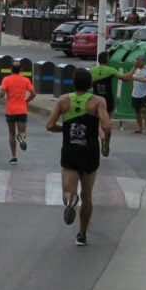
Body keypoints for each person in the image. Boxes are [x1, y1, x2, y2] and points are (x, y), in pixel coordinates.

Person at [45, 68, 111, 246]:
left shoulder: (64, 100)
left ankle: (70, 201)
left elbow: (49, 125)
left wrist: (64, 129)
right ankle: (82, 234)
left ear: (73, 84)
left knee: (68, 190)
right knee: (87, 194)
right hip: (90, 152)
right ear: (90, 84)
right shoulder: (97, 101)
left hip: (70, 150)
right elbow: (106, 125)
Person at [89, 52, 135, 156]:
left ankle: (102, 138)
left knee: (98, 123)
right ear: (107, 60)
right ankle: (107, 143)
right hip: (108, 100)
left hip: (96, 99)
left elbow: (89, 85)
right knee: (107, 123)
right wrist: (134, 68)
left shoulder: (92, 71)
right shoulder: (111, 70)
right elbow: (126, 78)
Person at [0, 61, 36, 165]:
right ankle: (21, 137)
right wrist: (26, 101)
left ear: (11, 69)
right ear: (21, 70)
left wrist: (3, 94)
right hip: (22, 109)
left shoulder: (6, 79)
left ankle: (14, 156)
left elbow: (2, 94)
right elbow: (33, 93)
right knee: (22, 132)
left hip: (10, 110)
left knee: (11, 133)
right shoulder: (25, 80)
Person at [130, 55, 146, 134]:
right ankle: (139, 127)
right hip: (135, 93)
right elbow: (132, 79)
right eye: (137, 60)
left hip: (144, 93)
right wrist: (131, 89)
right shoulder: (135, 69)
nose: (138, 62)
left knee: (144, 110)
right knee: (137, 110)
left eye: (140, 60)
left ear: (143, 61)